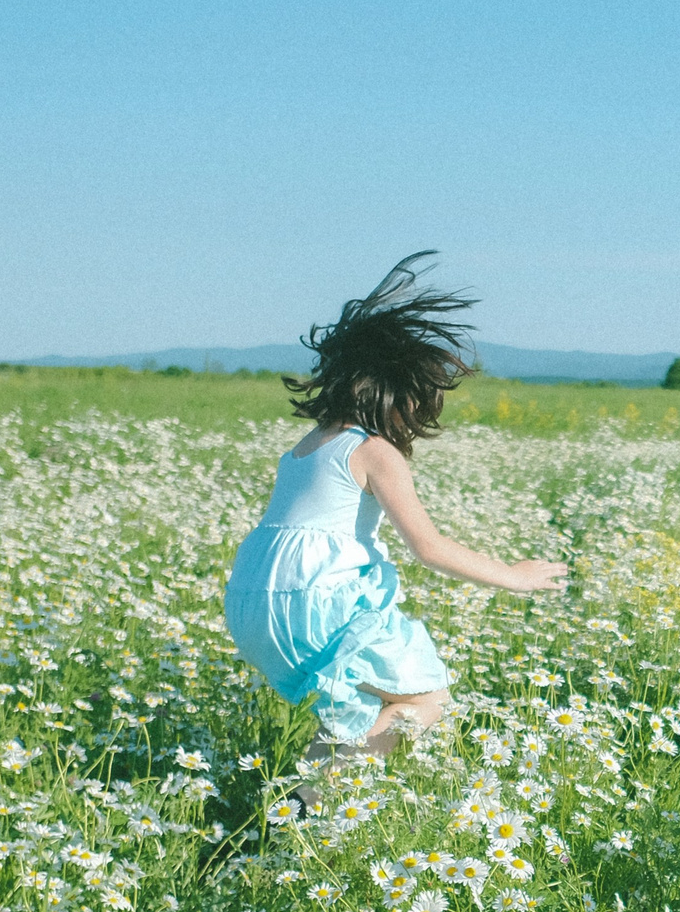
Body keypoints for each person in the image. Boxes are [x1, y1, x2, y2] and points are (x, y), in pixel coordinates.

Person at [223, 253, 567, 796]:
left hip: (252, 603)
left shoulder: (305, 448)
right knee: (425, 699)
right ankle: (324, 801)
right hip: (317, 600)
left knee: (354, 712)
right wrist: (513, 575)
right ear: (396, 394)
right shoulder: (373, 450)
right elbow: (426, 547)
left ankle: (299, 816)